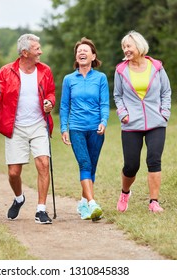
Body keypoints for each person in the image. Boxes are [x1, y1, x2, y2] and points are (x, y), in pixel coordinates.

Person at [0, 34, 56, 224]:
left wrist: (49, 103)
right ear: (25, 52)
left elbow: (51, 92)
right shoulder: (6, 71)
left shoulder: (45, 71)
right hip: (15, 127)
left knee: (43, 163)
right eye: (37, 49)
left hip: (38, 125)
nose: (40, 51)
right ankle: (19, 198)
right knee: (13, 173)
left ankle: (41, 210)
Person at [113, 30, 171, 213]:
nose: (126, 50)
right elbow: (117, 95)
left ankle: (154, 202)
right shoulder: (121, 70)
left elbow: (166, 91)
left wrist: (164, 113)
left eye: (128, 46)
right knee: (131, 165)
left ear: (139, 46)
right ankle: (125, 192)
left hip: (156, 122)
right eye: (124, 47)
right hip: (131, 124)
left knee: (154, 160)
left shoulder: (157, 67)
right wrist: (123, 114)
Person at [59, 37, 109, 221]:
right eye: (79, 51)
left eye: (86, 50)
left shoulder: (101, 78)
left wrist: (104, 121)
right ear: (76, 56)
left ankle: (83, 203)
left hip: (96, 129)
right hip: (77, 128)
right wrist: (64, 128)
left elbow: (104, 103)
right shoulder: (69, 79)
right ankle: (93, 203)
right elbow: (64, 106)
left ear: (93, 56)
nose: (82, 53)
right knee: (84, 164)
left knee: (92, 167)